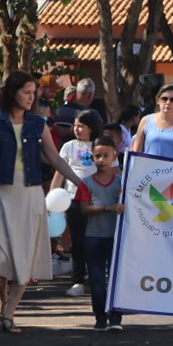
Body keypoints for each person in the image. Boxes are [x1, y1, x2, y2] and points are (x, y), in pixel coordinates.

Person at [0, 71, 83, 333]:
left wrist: (81, 182)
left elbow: (54, 158)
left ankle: (9, 311)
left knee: (26, 254)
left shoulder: (37, 123)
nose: (32, 98)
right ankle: (2, 298)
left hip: (30, 193)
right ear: (12, 92)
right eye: (27, 92)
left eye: (34, 93)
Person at [75, 136, 124, 332]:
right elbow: (84, 210)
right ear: (92, 157)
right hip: (94, 236)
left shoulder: (122, 183)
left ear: (115, 156)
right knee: (96, 279)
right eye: (97, 156)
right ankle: (100, 317)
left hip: (116, 237)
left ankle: (115, 317)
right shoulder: (86, 183)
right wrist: (108, 208)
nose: (102, 160)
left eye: (106, 155)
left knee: (116, 279)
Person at [52, 111, 102, 297]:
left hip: (99, 200)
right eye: (75, 125)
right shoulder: (68, 147)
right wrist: (51, 196)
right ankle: (78, 281)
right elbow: (59, 173)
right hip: (75, 200)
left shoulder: (100, 145)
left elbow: (113, 171)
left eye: (80, 126)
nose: (76, 129)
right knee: (78, 242)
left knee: (96, 241)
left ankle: (97, 277)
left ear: (91, 128)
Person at [131, 84, 173, 164]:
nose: (168, 102)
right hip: (149, 174)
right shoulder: (145, 120)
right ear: (158, 100)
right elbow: (135, 153)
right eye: (164, 98)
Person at [53, 79, 101, 145]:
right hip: (82, 151)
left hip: (57, 150)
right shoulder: (91, 115)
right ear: (90, 95)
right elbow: (98, 134)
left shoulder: (58, 110)